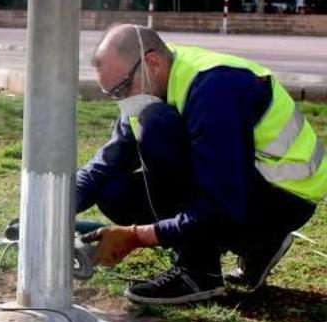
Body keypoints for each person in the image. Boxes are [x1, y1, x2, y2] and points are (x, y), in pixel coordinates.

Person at [78, 24, 325, 305]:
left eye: (122, 88)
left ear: (153, 63)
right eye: (112, 94)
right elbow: (103, 167)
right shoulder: (154, 84)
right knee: (114, 192)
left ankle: (199, 272)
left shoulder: (215, 88)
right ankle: (258, 246)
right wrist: (49, 212)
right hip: (244, 184)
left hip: (283, 197)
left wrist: (137, 236)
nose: (121, 100)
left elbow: (221, 206)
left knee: (156, 126)